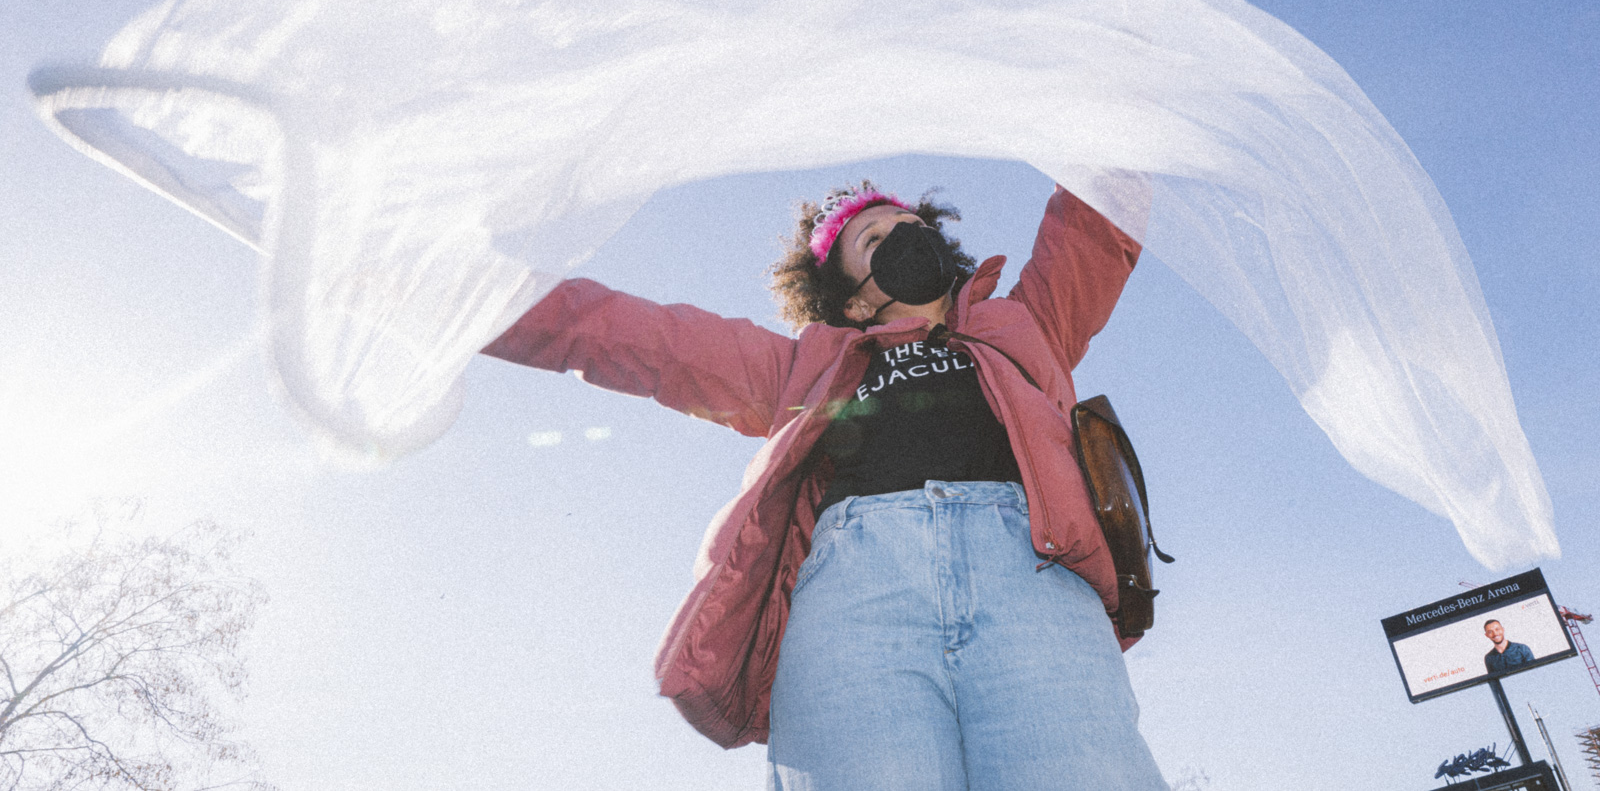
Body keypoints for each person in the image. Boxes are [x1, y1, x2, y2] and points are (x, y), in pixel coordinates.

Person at [483, 180, 1167, 790]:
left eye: (911, 224)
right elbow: (645, 338)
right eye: (875, 236)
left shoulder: (1027, 320)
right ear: (856, 295)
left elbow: (1099, 215)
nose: (904, 235)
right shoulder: (803, 367)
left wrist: (1134, 87)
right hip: (860, 602)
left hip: (1033, 580)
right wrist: (470, 302)